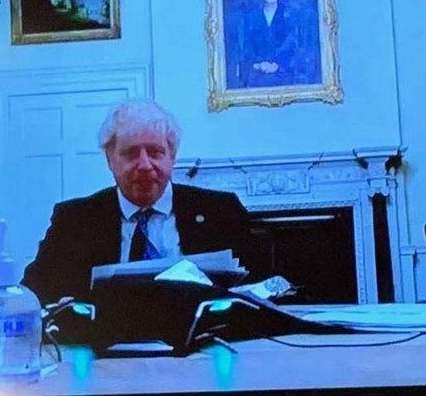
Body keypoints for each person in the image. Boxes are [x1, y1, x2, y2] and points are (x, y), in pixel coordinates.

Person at [21, 99, 256, 305]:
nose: (144, 165)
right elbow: (33, 293)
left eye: (155, 152)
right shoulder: (74, 220)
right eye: (131, 153)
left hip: (203, 348)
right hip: (106, 351)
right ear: (110, 159)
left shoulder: (222, 211)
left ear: (172, 156)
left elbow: (263, 288)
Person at [229, 0, 321, 89]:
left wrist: (279, 65)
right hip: (257, 76)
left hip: (286, 75)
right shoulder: (250, 18)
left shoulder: (291, 16)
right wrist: (258, 64)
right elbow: (245, 46)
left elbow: (295, 46)